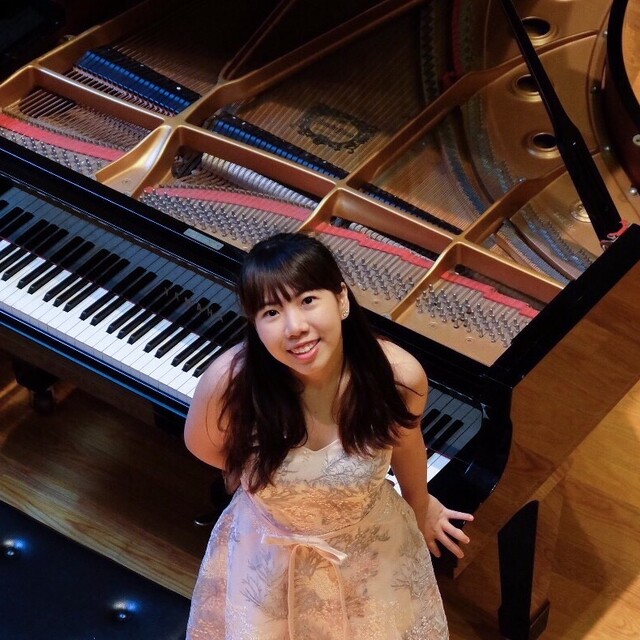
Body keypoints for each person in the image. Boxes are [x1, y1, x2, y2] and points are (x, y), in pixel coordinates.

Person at [184, 232, 473, 639]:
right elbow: (202, 445)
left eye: (307, 300)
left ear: (341, 299)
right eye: (271, 311)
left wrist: (420, 505)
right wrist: (258, 482)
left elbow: (408, 443)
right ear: (254, 323)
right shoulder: (228, 383)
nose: (295, 327)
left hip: (366, 557)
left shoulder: (398, 376)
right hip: (267, 554)